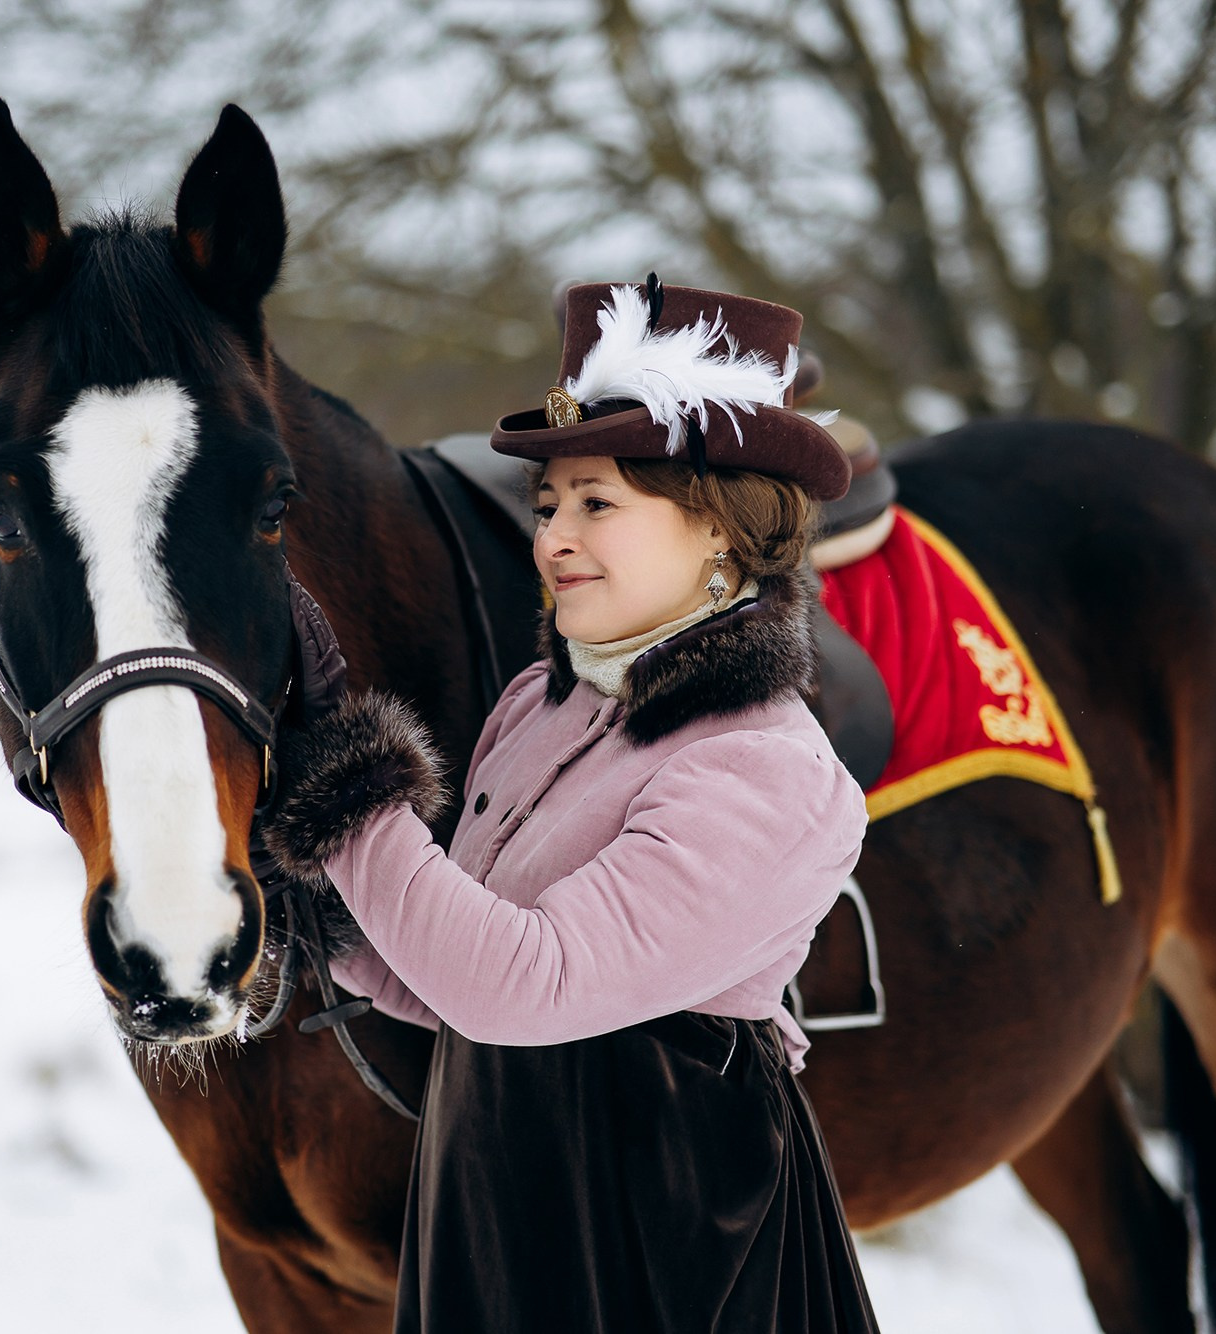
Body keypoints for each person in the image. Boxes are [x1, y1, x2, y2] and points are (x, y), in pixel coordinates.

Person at [262, 278, 880, 1334]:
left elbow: (522, 985)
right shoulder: (536, 705)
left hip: (660, 1241)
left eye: (598, 503)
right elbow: (455, 981)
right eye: (546, 505)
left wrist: (354, 797)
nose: (551, 536)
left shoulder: (769, 768)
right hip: (495, 1203)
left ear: (719, 534)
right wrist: (323, 921)